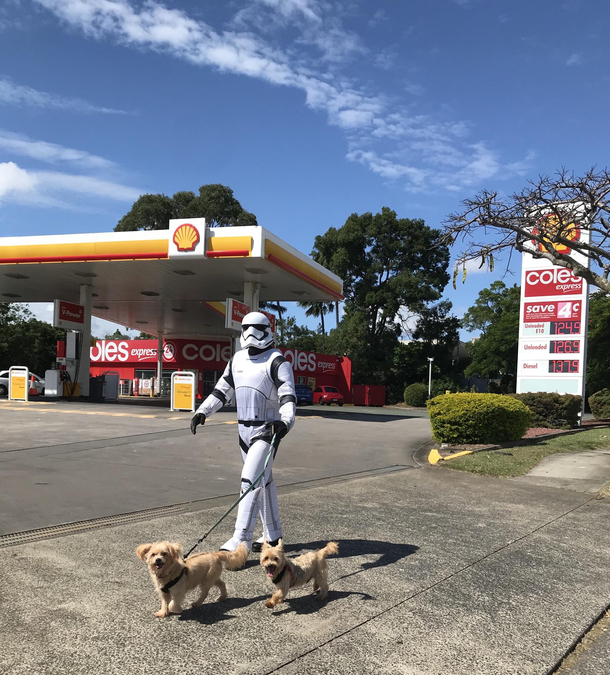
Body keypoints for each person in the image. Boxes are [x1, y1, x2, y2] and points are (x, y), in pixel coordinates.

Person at [190, 311, 296, 553]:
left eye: (256, 328)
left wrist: (285, 421)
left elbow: (288, 395)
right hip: (242, 430)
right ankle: (273, 535)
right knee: (263, 481)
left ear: (267, 330)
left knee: (249, 481)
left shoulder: (277, 361)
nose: (250, 334)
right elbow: (222, 390)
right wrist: (202, 411)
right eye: (246, 327)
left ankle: (241, 540)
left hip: (267, 430)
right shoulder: (236, 359)